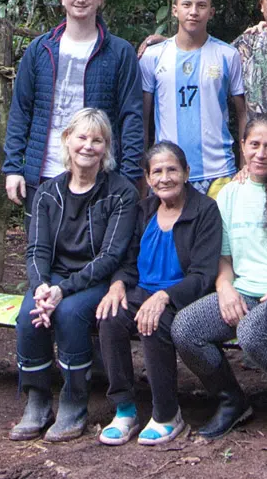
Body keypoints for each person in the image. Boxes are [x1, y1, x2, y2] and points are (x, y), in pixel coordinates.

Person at [10, 108, 139, 443]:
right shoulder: (47, 192)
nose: (88, 146)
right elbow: (36, 249)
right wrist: (41, 287)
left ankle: (73, 402)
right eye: (81, 137)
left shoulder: (121, 192)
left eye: (97, 140)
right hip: (52, 280)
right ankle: (37, 401)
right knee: (27, 315)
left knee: (68, 315)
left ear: (106, 147)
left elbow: (111, 256)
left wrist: (62, 291)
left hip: (95, 280)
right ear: (67, 140)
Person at [171, 113, 267, 442]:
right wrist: (224, 287)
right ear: (241, 146)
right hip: (243, 290)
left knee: (253, 335)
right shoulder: (229, 193)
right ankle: (232, 400)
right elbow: (224, 256)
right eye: (254, 145)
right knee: (186, 328)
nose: (261, 153)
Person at [95, 142, 222, 446]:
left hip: (182, 297)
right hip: (143, 292)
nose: (165, 178)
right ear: (148, 179)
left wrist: (165, 296)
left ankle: (167, 413)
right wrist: (117, 285)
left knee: (153, 324)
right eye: (157, 172)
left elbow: (204, 275)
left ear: (186, 172)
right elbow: (127, 261)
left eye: (172, 170)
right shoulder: (144, 210)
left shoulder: (205, 210)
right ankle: (125, 409)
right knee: (110, 317)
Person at [3, 0, 143, 231]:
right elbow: (21, 110)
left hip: (98, 171)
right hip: (43, 170)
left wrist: (128, 176)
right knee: (40, 250)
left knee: (94, 251)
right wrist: (13, 168)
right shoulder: (40, 50)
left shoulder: (120, 52)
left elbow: (131, 117)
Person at [140, 0, 247, 198]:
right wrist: (144, 170)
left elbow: (243, 112)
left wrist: (245, 165)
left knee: (219, 233)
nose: (194, 12)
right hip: (167, 172)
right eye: (187, 5)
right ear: (175, 10)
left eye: (201, 5)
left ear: (211, 12)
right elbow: (143, 117)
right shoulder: (152, 56)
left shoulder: (228, 55)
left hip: (218, 171)